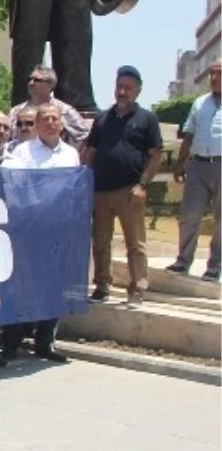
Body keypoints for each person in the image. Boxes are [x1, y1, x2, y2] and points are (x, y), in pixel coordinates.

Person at [0, 102, 80, 363]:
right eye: (45, 119)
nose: (51, 123)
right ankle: (12, 343)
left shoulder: (71, 154)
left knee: (54, 286)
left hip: (59, 228)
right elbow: (17, 188)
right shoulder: (22, 152)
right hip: (30, 228)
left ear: (62, 123)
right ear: (37, 123)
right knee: (23, 287)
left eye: (55, 118)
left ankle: (45, 343)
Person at [82, 65, 162, 305]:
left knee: (135, 244)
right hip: (101, 191)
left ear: (138, 91)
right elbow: (91, 150)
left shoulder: (147, 119)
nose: (122, 92)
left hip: (130, 191)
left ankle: (137, 289)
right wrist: (85, 181)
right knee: (101, 242)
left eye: (128, 88)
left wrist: (143, 184)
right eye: (119, 87)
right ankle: (102, 286)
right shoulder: (102, 118)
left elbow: (155, 155)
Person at [168, 58, 222, 282]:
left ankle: (215, 265)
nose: (214, 77)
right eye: (212, 73)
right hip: (198, 165)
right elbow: (188, 134)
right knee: (189, 215)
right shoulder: (200, 103)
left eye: (219, 73)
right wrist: (180, 163)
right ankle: (183, 261)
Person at [7, 66, 90, 147]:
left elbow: (86, 136)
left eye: (37, 80)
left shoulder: (64, 110)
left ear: (50, 85)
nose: (31, 83)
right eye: (30, 79)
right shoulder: (16, 111)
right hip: (21, 158)